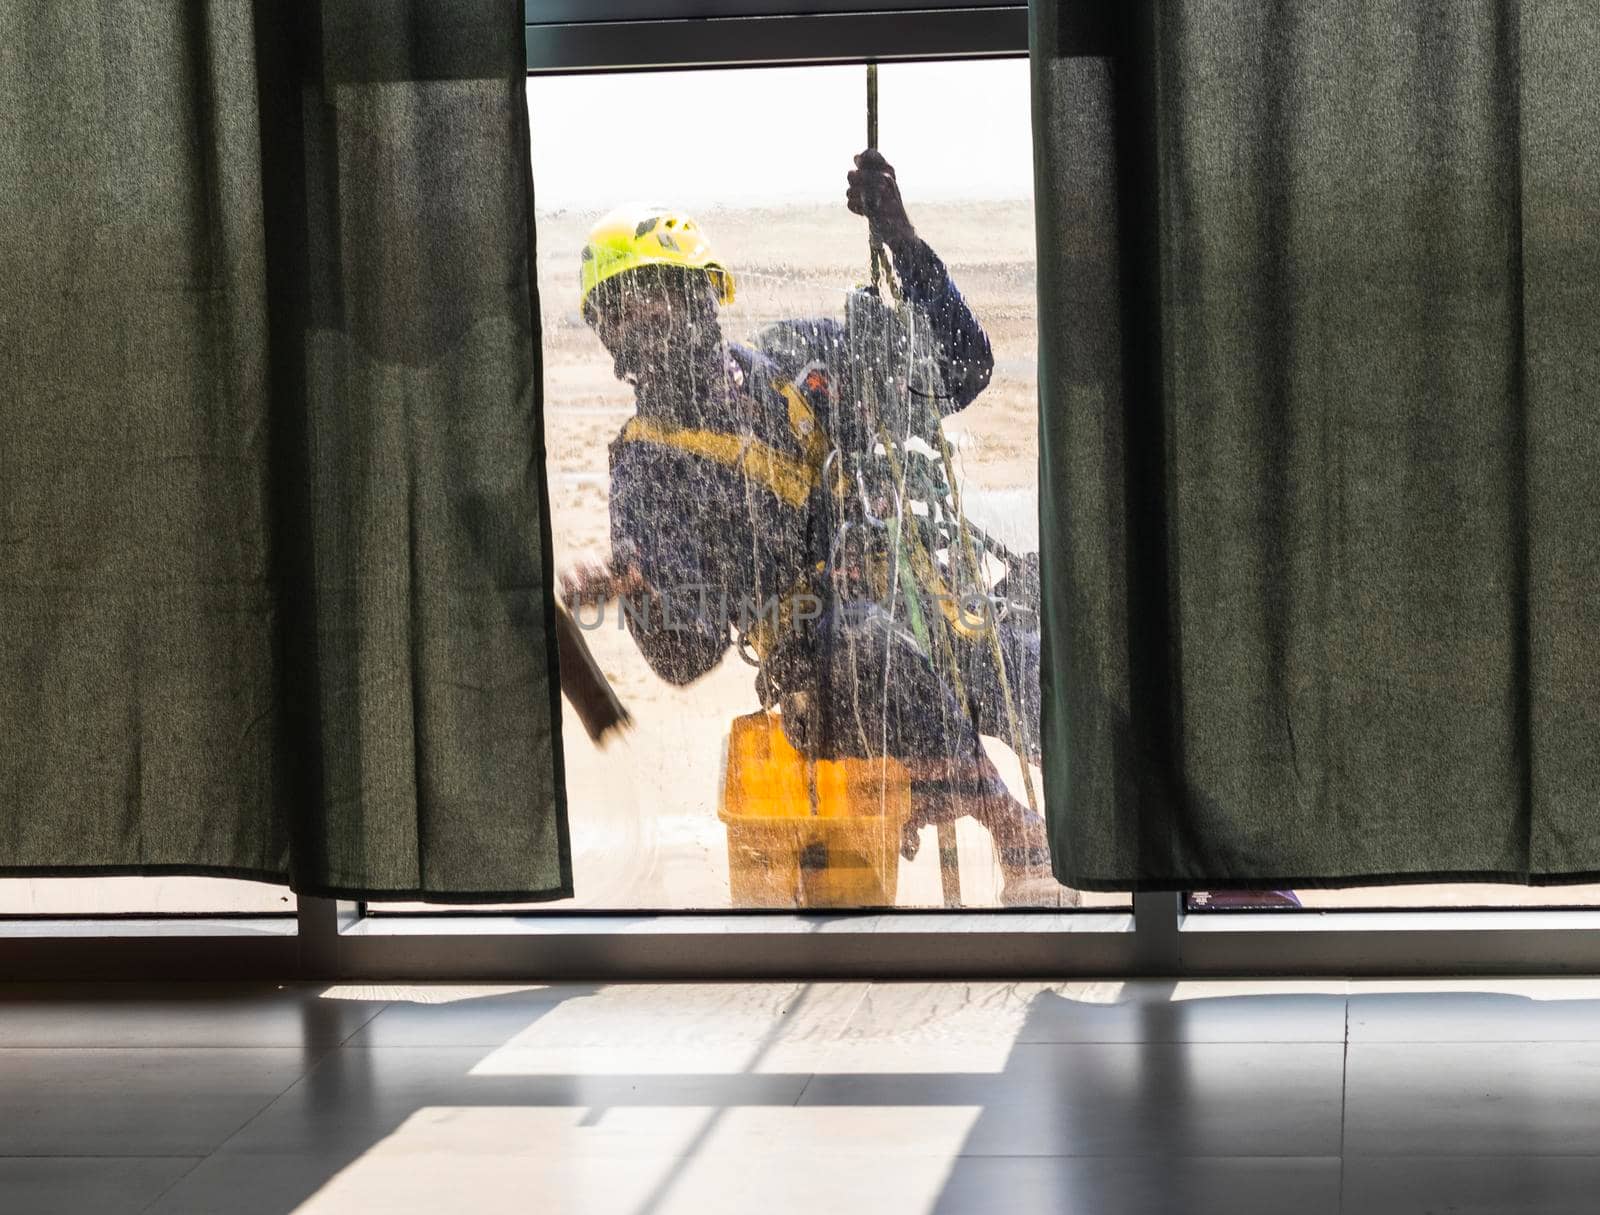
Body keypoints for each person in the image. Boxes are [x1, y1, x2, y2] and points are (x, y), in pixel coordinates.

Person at [562, 151, 1061, 904]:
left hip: (927, 607)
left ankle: (1163, 858)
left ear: (703, 297)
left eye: (654, 295)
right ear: (608, 343)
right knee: (858, 641)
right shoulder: (648, 464)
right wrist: (640, 589)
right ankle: (1013, 825)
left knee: (1040, 664)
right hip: (827, 668)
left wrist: (898, 235)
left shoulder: (804, 360)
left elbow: (961, 369)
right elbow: (685, 655)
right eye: (620, 312)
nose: (641, 323)